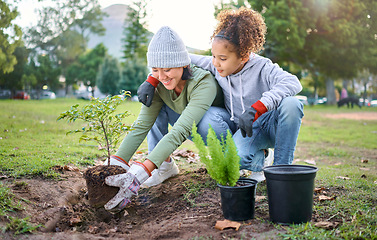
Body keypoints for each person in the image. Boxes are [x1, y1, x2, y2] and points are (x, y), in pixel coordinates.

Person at [137, 7, 304, 182]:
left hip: (268, 125)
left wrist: (258, 108)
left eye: (222, 59)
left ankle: (282, 172)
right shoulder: (215, 64)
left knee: (292, 104)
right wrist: (152, 80)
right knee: (221, 136)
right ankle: (260, 158)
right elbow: (175, 59)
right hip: (244, 131)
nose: (215, 63)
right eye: (213, 56)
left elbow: (293, 82)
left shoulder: (263, 67)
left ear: (244, 56)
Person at [103, 26, 229, 212]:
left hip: (220, 130)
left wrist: (141, 171)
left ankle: (236, 160)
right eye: (155, 70)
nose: (161, 77)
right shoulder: (159, 84)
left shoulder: (203, 82)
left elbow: (182, 129)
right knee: (155, 110)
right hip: (189, 125)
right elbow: (141, 126)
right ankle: (165, 166)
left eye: (167, 69)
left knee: (208, 118)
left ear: (183, 64)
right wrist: (115, 165)